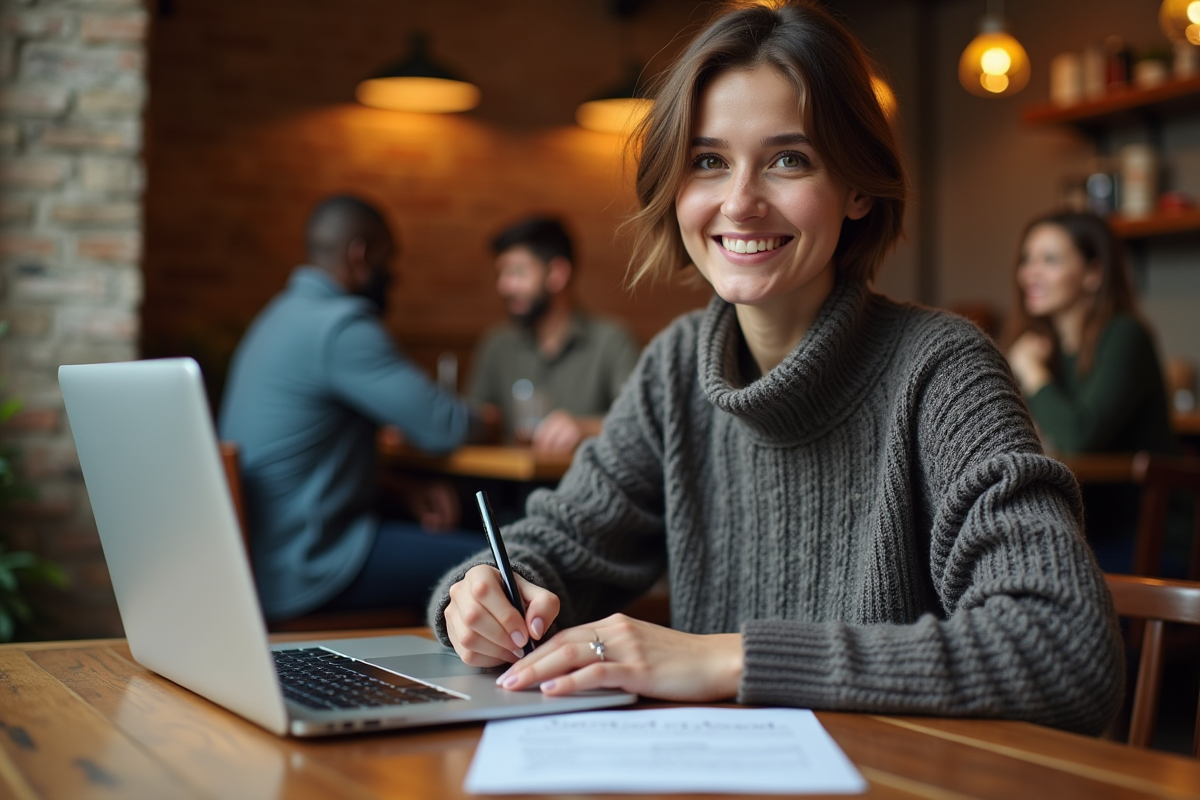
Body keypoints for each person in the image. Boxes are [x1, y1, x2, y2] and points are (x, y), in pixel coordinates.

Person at [426, 1, 1125, 735]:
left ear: (858, 188)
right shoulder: (675, 370)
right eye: (708, 161)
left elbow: (1066, 651)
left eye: (789, 159)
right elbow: (555, 548)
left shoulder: (943, 371)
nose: (740, 202)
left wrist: (728, 660)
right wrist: (476, 597)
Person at [220, 195, 493, 622]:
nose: (395, 275)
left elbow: (302, 457)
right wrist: (491, 419)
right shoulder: (341, 326)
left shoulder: (276, 316)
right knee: (502, 563)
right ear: (361, 255)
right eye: (391, 259)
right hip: (311, 567)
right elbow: (447, 427)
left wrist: (400, 489)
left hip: (265, 562)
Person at [1006, 210, 1186, 574]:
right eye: (1027, 259)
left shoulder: (1124, 335)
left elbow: (1079, 436)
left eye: (1050, 260)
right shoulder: (1044, 348)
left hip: (1147, 538)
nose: (1030, 273)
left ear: (1093, 273)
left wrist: (1032, 372)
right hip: (1079, 530)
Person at [467, 217, 641, 454]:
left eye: (517, 272)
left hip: (585, 487)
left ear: (557, 274)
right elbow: (478, 420)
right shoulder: (497, 344)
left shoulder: (611, 341)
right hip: (506, 487)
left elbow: (639, 423)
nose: (504, 286)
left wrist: (584, 428)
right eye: (502, 273)